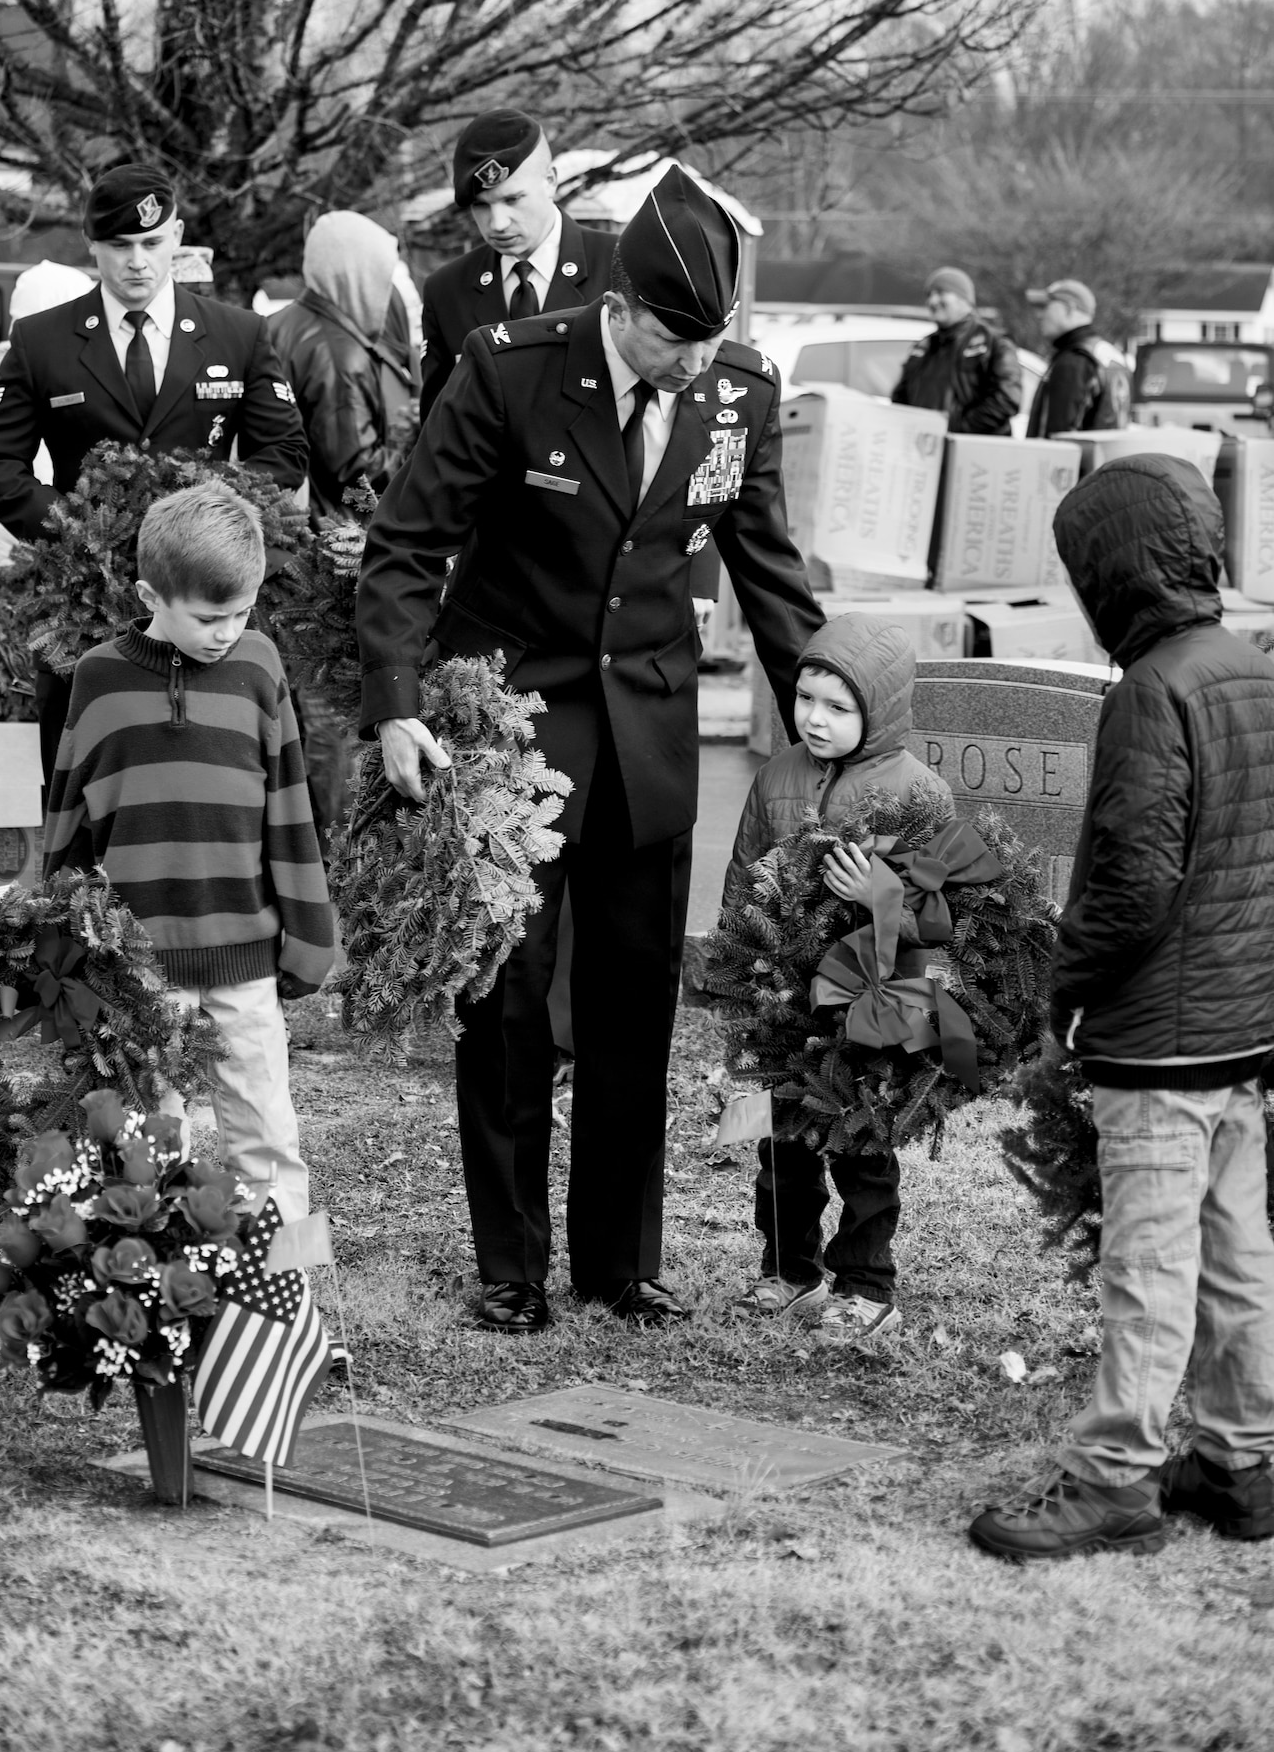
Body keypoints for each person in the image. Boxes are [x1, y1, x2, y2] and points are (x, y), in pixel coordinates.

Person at [357, 163, 823, 1331]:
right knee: (510, 1010)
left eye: (713, 340)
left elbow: (769, 573)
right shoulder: (510, 371)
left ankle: (619, 1259)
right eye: (675, 340)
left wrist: (836, 714)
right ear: (620, 312)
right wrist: (398, 703)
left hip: (651, 737)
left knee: (633, 1008)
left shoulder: (736, 394)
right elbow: (409, 545)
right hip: (514, 732)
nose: (695, 364)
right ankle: (511, 1265)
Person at [970, 452, 1274, 1561]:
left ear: (1114, 573)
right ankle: (1242, 1462)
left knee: (1148, 1263)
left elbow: (1135, 880)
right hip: (1244, 1026)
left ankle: (1114, 1479)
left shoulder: (1155, 689)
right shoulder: (1246, 662)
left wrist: (1065, 983)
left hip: (1161, 1036)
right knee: (1238, 1249)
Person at [42, 482, 336, 1223]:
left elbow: (290, 810)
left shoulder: (259, 668)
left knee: (265, 1130)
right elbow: (68, 821)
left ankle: (288, 1298)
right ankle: (157, 1297)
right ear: (150, 593)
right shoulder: (97, 679)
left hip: (245, 955)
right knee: (144, 1136)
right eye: (210, 617)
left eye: (241, 613)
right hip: (139, 969)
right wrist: (59, 952)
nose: (226, 632)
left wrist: (309, 936)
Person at [0, 162, 309, 779]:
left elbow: (283, 454)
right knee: (87, 784)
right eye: (119, 246)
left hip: (204, 598)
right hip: (85, 604)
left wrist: (210, 522)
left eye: (152, 243)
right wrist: (77, 530)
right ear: (92, 245)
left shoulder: (238, 334)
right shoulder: (43, 340)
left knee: (214, 777)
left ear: (177, 236)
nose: (138, 262)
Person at [722, 614, 954, 1340]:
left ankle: (864, 1280)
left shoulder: (917, 794)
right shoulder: (776, 776)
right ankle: (787, 1269)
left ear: (877, 710)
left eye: (838, 707)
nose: (814, 719)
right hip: (782, 1001)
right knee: (781, 1147)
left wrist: (879, 897)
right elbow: (740, 883)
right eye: (804, 700)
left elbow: (944, 914)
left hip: (870, 1003)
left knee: (861, 1149)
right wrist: (733, 987)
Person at [418, 108, 617, 425]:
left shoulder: (618, 266)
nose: (497, 224)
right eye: (481, 206)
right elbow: (436, 425)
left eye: (512, 200)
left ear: (550, 181)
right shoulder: (447, 290)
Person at [268, 211, 418, 518]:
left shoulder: (279, 323)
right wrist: (418, 450)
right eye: (381, 277)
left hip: (285, 518)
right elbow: (356, 475)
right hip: (330, 534)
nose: (386, 292)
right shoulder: (340, 354)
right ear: (357, 277)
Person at [890, 267, 1022, 435]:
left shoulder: (994, 343)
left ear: (964, 299)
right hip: (925, 452)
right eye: (929, 295)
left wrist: (953, 431)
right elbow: (900, 400)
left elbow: (1007, 399)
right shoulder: (923, 347)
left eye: (940, 293)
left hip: (972, 455)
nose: (932, 301)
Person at [1024, 278, 1131, 437]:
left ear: (1069, 308)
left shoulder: (1074, 360)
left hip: (1078, 462)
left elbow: (1059, 440)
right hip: (1107, 459)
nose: (1039, 315)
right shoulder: (1111, 356)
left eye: (1045, 307)